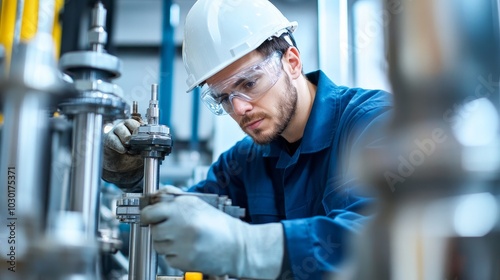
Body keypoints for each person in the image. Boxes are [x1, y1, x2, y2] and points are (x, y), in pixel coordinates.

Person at [102, 0, 393, 278]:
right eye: (224, 98)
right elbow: (190, 216)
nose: (239, 108)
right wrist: (138, 180)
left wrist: (249, 248)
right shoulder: (244, 162)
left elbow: (382, 239)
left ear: (292, 62)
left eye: (249, 83)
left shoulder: (374, 123)